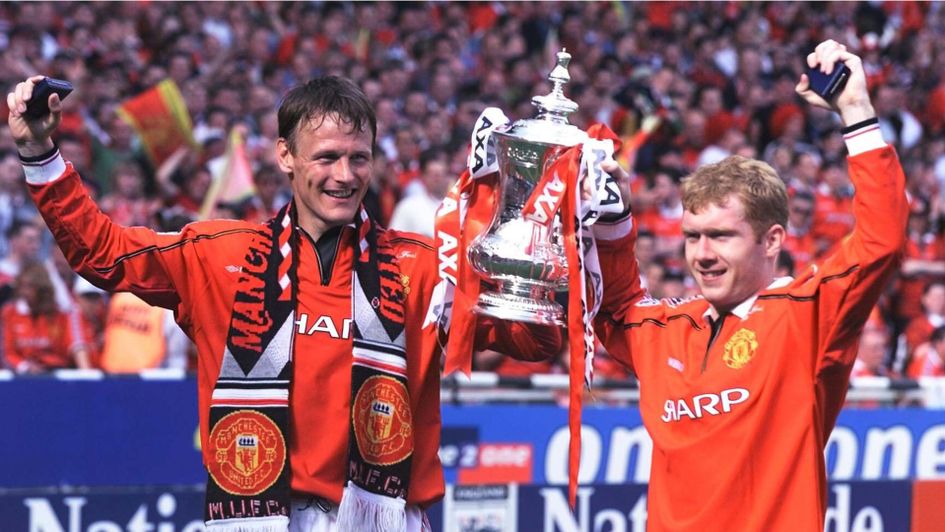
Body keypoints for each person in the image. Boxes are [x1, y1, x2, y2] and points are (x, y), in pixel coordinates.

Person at [8, 74, 558, 531]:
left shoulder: (423, 268)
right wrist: (39, 153)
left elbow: (534, 340)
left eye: (358, 158)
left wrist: (551, 234)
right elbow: (101, 254)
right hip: (261, 517)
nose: (344, 175)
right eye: (326, 157)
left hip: (384, 518)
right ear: (285, 156)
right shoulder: (216, 254)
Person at [592, 41, 907, 530]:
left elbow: (880, 242)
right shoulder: (668, 328)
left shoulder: (806, 315)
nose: (701, 255)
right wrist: (613, 222)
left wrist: (857, 112)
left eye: (721, 236)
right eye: (692, 237)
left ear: (771, 240)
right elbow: (614, 309)